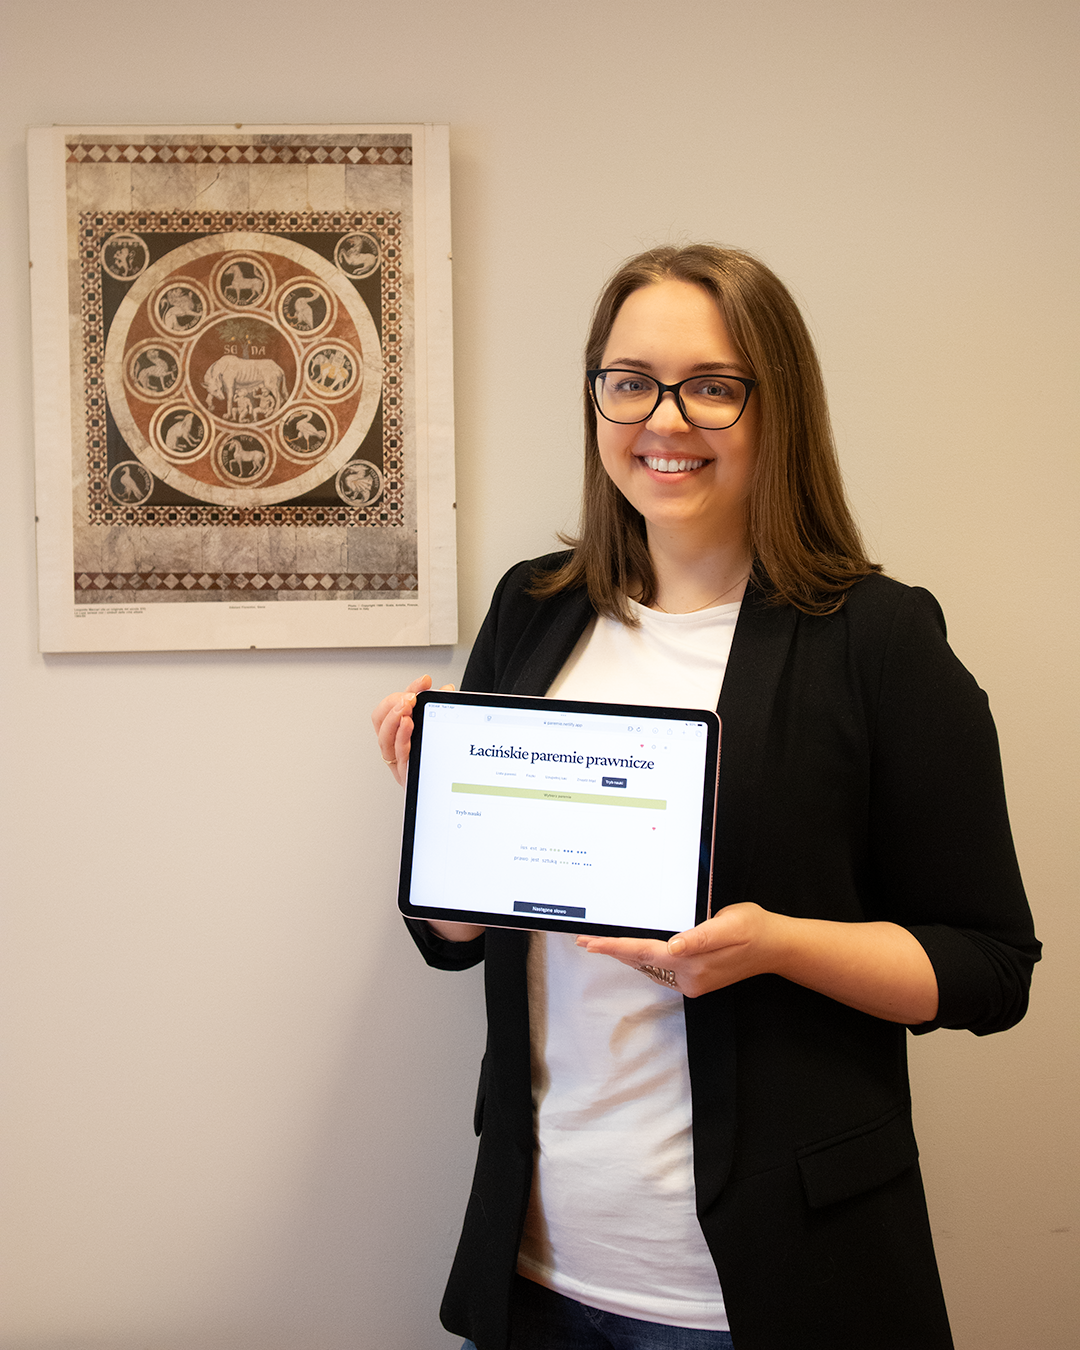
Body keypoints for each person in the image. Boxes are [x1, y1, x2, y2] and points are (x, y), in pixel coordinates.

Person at [371, 245, 1040, 1350]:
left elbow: (988, 968)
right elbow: (456, 936)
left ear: (776, 406)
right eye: (628, 380)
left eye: (711, 385)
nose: (662, 419)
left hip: (770, 1284)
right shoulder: (533, 612)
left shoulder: (877, 639)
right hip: (540, 1257)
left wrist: (775, 945)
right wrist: (442, 823)